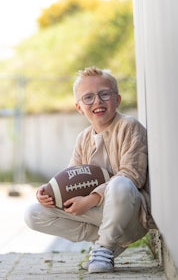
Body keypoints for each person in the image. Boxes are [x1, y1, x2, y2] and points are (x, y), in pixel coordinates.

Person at [25, 66, 156, 274]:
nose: (97, 101)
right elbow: (70, 177)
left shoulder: (129, 127)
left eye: (104, 94)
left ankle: (103, 248)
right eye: (88, 97)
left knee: (120, 184)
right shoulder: (83, 138)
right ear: (79, 107)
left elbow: (133, 175)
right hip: (102, 216)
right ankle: (108, 242)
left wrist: (91, 199)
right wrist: (48, 192)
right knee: (33, 214)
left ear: (117, 100)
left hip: (133, 215)